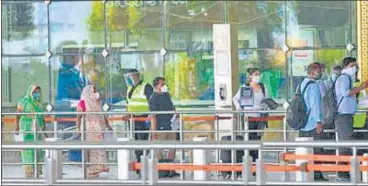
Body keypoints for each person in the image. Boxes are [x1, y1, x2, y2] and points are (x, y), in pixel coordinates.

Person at [334, 57, 368, 181]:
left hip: (347, 116)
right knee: (345, 144)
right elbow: (345, 93)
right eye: (354, 65)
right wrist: (361, 87)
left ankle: (345, 172)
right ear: (347, 66)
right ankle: (342, 173)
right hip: (343, 115)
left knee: (347, 143)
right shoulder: (344, 78)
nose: (356, 68)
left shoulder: (348, 78)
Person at [298, 63, 327, 181]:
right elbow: (315, 105)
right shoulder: (314, 86)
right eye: (319, 71)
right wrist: (318, 121)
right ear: (313, 72)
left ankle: (306, 173)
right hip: (312, 124)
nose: (321, 73)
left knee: (305, 150)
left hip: (302, 123)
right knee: (317, 149)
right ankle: (317, 174)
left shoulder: (301, 84)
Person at [76, 85, 113, 178]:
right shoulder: (82, 103)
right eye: (94, 91)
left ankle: (97, 168)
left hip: (98, 130)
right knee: (89, 150)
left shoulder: (97, 102)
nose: (96, 93)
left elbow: (103, 115)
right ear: (88, 92)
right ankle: (89, 170)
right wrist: (77, 128)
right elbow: (78, 117)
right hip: (88, 131)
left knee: (98, 149)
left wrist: (108, 126)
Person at [233, 67, 268, 164]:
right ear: (250, 76)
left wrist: (265, 106)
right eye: (256, 74)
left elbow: (267, 99)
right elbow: (235, 99)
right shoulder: (245, 87)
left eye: (258, 74)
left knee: (258, 140)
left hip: (260, 118)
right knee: (250, 140)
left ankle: (257, 162)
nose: (258, 76)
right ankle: (251, 162)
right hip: (249, 117)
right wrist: (239, 108)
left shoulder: (263, 87)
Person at [124, 69, 154, 174]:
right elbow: (128, 103)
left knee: (143, 140)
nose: (128, 79)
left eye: (130, 76)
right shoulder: (129, 88)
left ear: (135, 76)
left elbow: (152, 101)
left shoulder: (146, 86)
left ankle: (143, 163)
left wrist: (150, 116)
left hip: (143, 118)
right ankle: (138, 162)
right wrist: (126, 114)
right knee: (136, 141)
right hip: (132, 119)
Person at [149, 76, 179, 178]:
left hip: (170, 125)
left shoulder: (166, 95)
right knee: (158, 149)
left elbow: (172, 107)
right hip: (160, 126)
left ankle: (171, 169)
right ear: (156, 86)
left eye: (164, 84)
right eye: (162, 84)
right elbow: (153, 116)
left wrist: (176, 114)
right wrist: (154, 131)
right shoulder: (153, 98)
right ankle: (161, 170)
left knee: (172, 147)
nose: (164, 86)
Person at [15, 84, 46, 178]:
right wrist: (16, 126)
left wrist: (44, 128)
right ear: (30, 92)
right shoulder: (24, 102)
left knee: (38, 151)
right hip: (27, 131)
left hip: (38, 131)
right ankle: (29, 171)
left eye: (38, 92)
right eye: (35, 92)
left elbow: (41, 117)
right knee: (28, 151)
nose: (37, 94)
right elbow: (17, 115)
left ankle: (37, 170)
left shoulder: (39, 104)